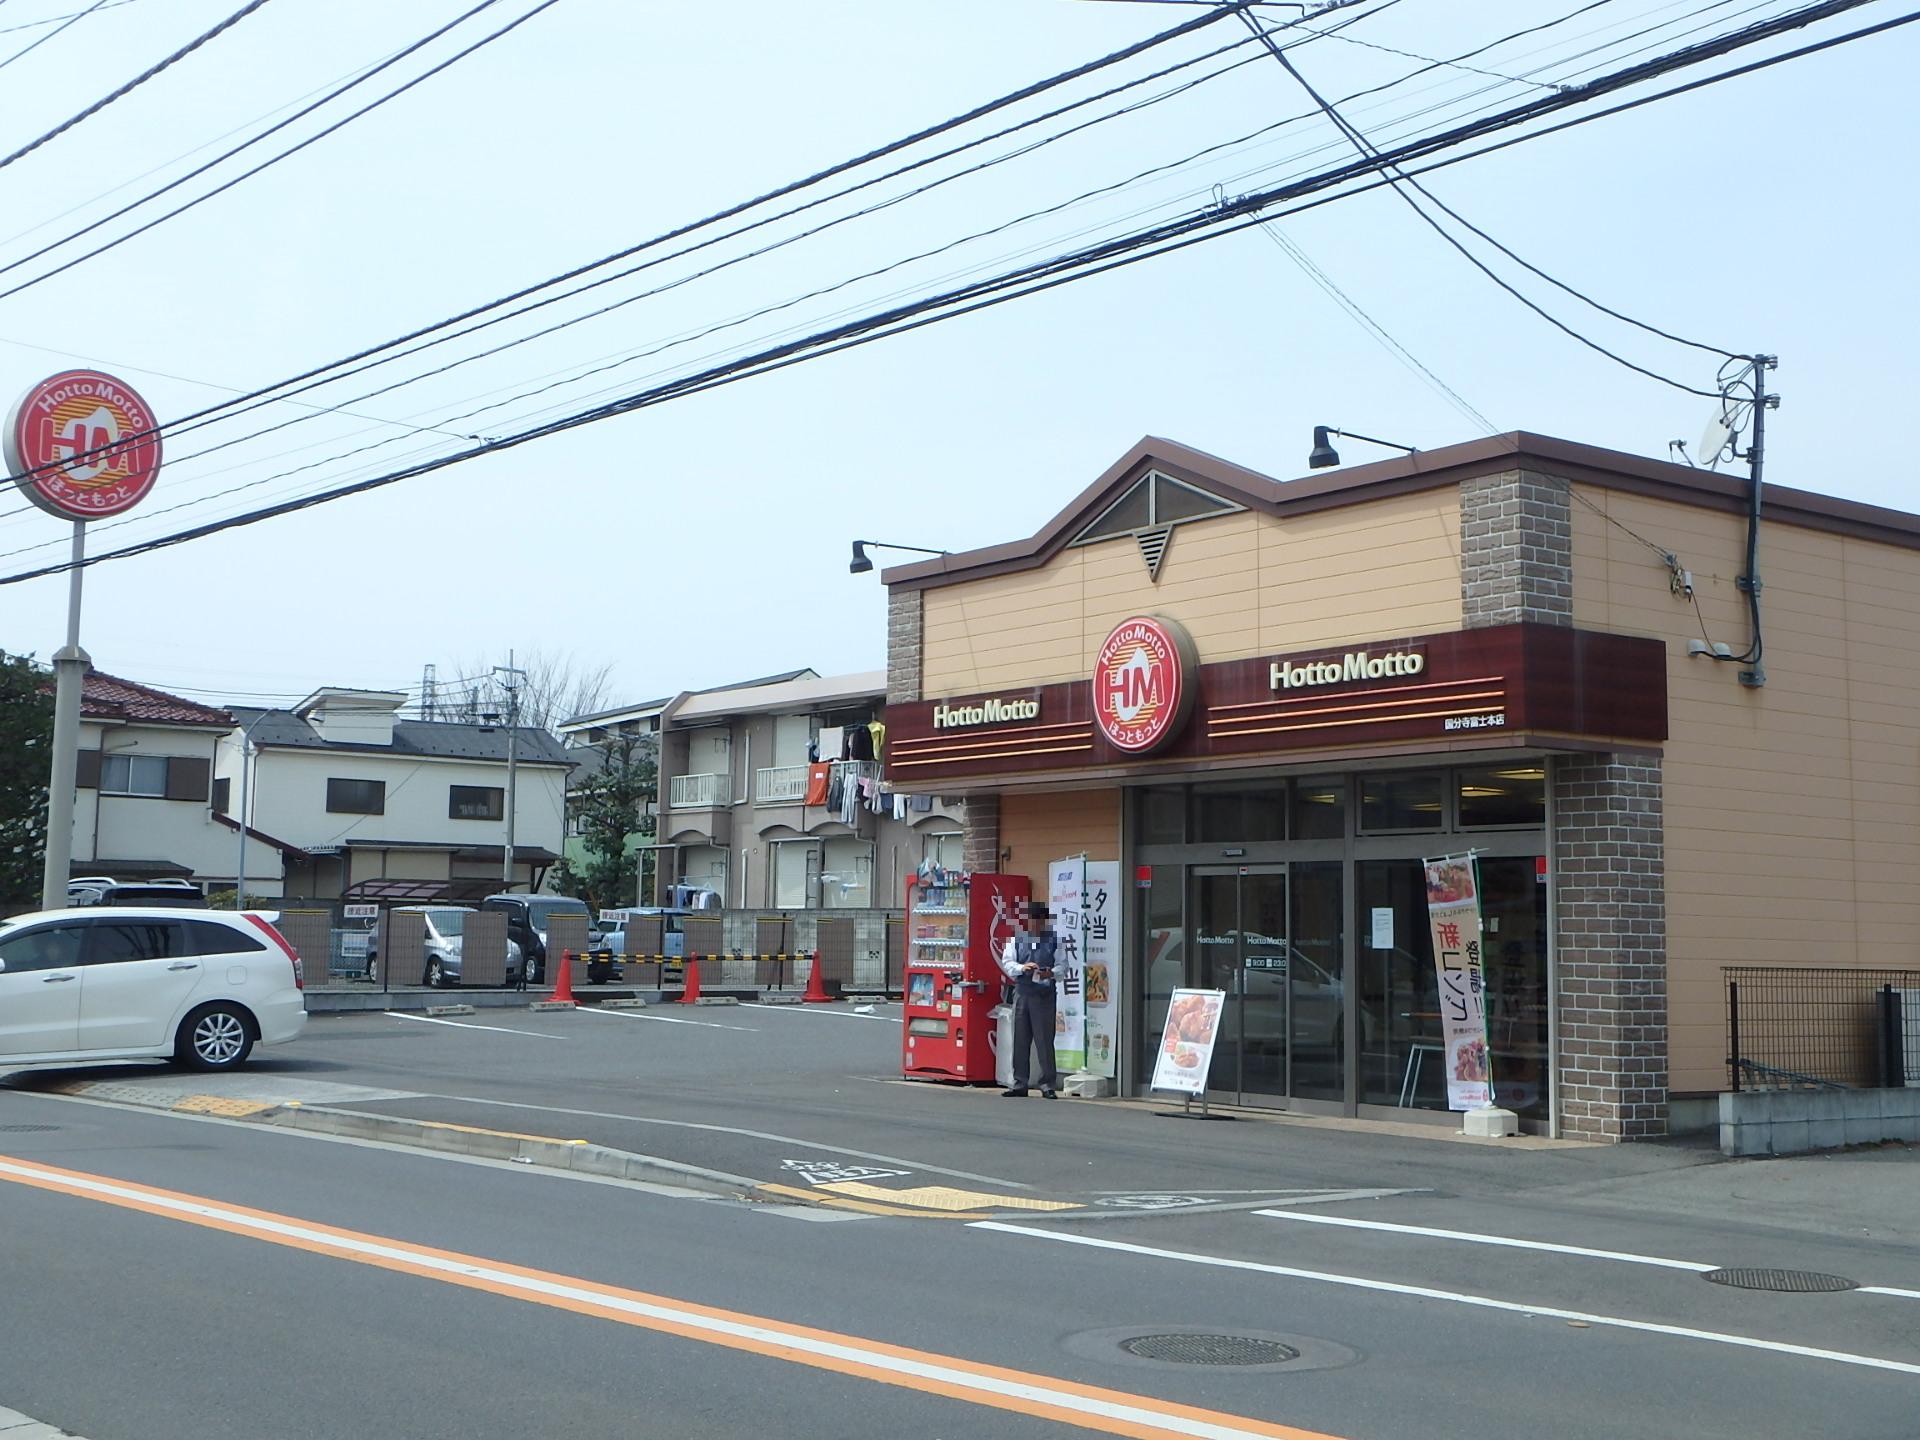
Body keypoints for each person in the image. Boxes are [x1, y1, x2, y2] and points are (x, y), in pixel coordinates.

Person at [998, 903, 1059, 1098]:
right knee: (1020, 1040)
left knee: (1044, 1041)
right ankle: (1019, 1083)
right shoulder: (1016, 940)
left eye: (1040, 921)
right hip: (1022, 992)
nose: (1036, 924)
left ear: (1045, 921)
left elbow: (1063, 966)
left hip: (1044, 995)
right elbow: (1007, 962)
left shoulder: (1054, 941)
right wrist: (1022, 968)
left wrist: (1051, 972)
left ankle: (1047, 1084)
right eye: (1033, 920)